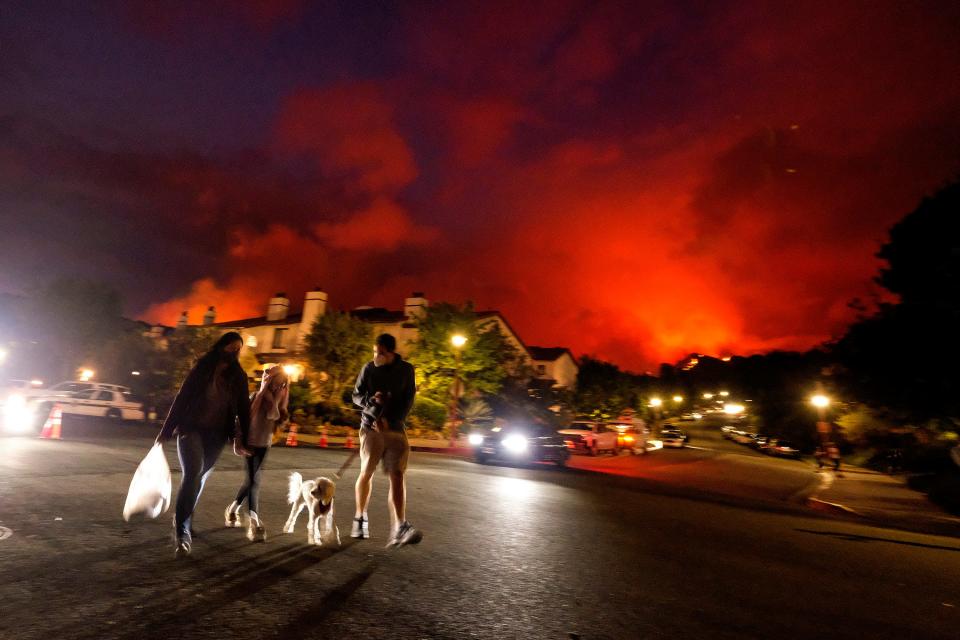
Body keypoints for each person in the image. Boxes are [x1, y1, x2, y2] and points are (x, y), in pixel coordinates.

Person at [156, 331, 252, 557]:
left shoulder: (238, 376)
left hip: (217, 436)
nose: (234, 351)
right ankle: (182, 533)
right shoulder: (202, 368)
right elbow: (182, 397)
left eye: (238, 348)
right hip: (191, 429)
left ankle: (183, 516)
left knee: (198, 479)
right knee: (191, 474)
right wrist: (166, 430)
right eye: (231, 346)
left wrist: (245, 439)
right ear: (221, 345)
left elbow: (244, 410)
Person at [351, 333, 420, 547]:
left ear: (391, 352)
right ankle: (360, 518)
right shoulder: (368, 369)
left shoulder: (406, 370)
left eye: (380, 352)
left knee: (397, 475)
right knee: (366, 472)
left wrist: (392, 420)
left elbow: (408, 399)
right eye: (374, 351)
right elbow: (355, 395)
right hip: (370, 428)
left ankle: (400, 526)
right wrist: (371, 404)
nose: (376, 356)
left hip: (396, 429)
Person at [225, 365, 289, 542]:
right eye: (276, 383)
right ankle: (255, 520)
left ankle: (232, 510)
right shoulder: (256, 396)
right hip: (250, 443)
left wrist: (278, 403)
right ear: (268, 381)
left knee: (251, 481)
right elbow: (245, 417)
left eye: (282, 384)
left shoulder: (279, 400)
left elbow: (280, 419)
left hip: (264, 444)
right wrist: (262, 393)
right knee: (255, 481)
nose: (278, 387)